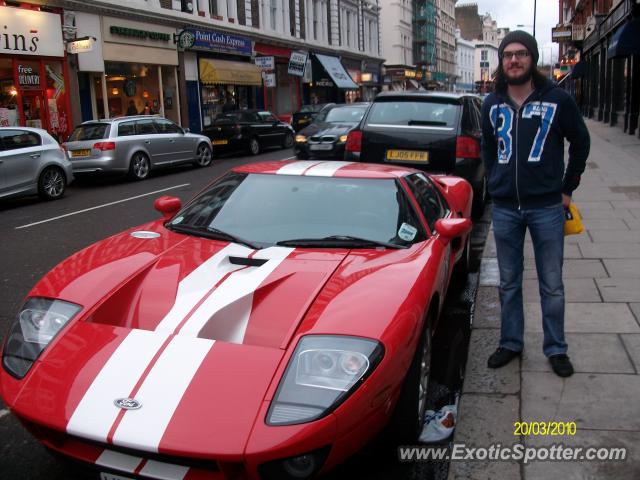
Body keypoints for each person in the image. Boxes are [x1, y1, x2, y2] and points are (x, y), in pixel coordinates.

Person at [480, 31, 590, 377]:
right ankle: (511, 342)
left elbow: (581, 143)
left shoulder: (558, 100)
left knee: (551, 283)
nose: (514, 60)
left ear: (532, 58)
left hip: (546, 208)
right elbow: (487, 148)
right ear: (502, 62)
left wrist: (567, 188)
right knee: (509, 282)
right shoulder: (491, 103)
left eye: (521, 54)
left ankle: (556, 348)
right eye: (508, 55)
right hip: (506, 209)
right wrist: (495, 183)